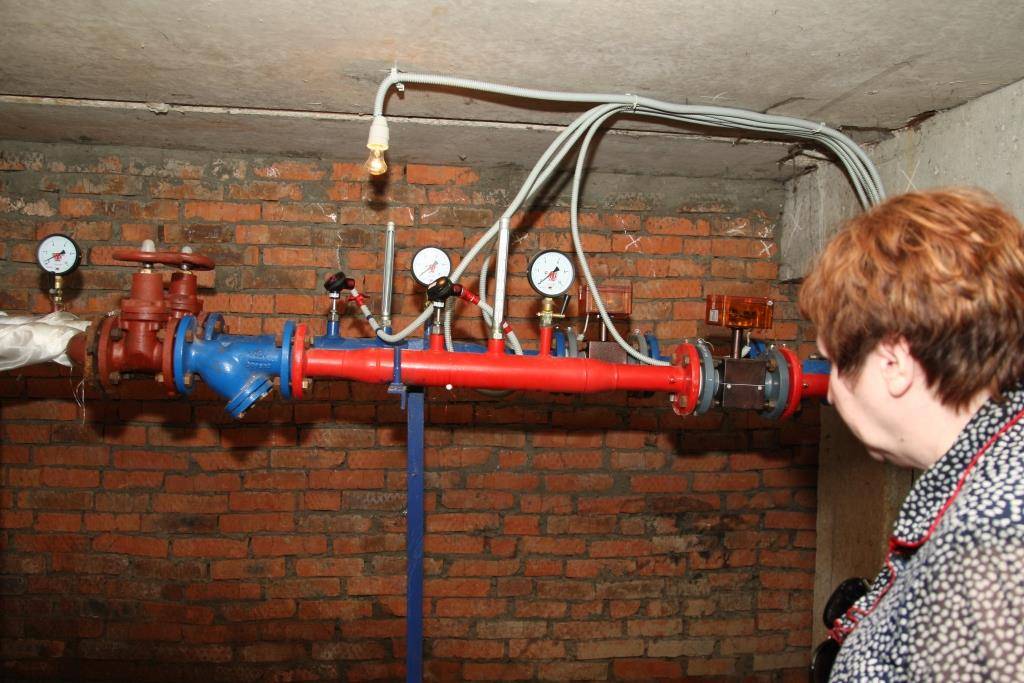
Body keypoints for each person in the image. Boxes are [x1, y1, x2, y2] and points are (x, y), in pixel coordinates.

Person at [798, 187, 1024, 681]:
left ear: (894, 364)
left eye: (835, 364)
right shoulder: (994, 457)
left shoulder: (990, 547)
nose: (831, 391)